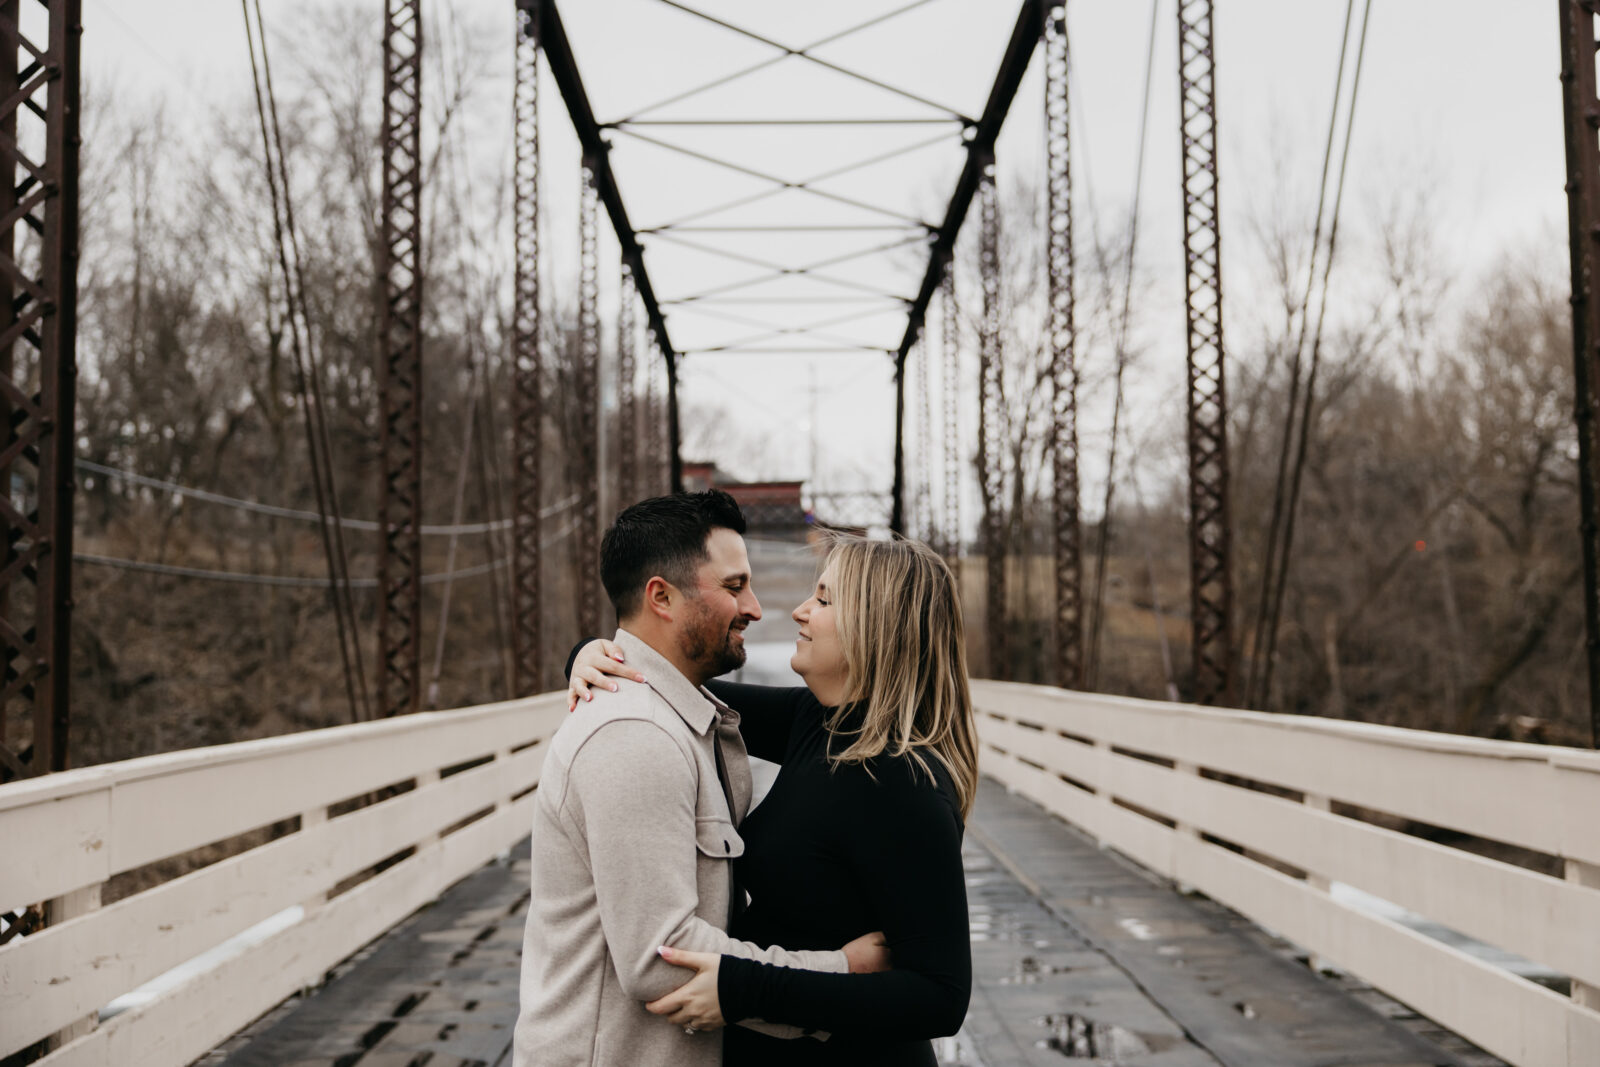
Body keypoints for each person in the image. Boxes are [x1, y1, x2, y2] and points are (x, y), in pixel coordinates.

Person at [569, 535, 978, 1065]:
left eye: (825, 600)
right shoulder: (817, 721)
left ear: (876, 628)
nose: (801, 611)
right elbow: (665, 689)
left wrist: (745, 987)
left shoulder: (903, 783)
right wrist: (588, 655)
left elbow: (940, 998)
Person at [512, 491, 888, 1067]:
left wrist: (583, 652)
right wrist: (841, 973)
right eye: (734, 586)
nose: (757, 608)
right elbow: (664, 958)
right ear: (661, 597)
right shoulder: (636, 736)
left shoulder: (688, 717)